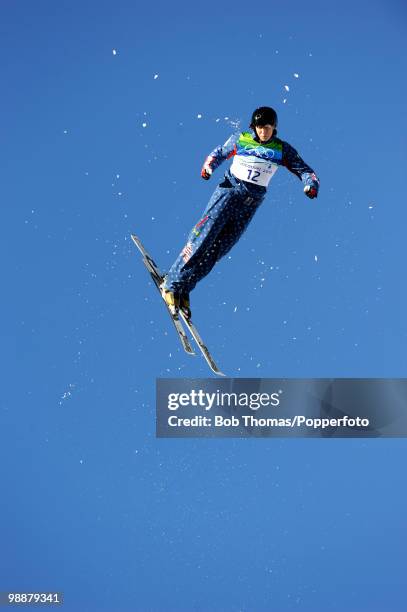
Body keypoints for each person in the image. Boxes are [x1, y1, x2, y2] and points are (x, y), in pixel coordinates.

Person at [161, 106, 320, 318]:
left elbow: (305, 170)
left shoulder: (282, 149)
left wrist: (310, 185)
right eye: (260, 127)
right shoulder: (242, 138)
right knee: (203, 237)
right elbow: (219, 153)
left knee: (219, 249)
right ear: (253, 127)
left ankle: (184, 287)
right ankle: (171, 283)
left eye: (268, 128)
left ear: (275, 128)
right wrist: (208, 167)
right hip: (230, 192)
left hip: (250, 203)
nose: (263, 132)